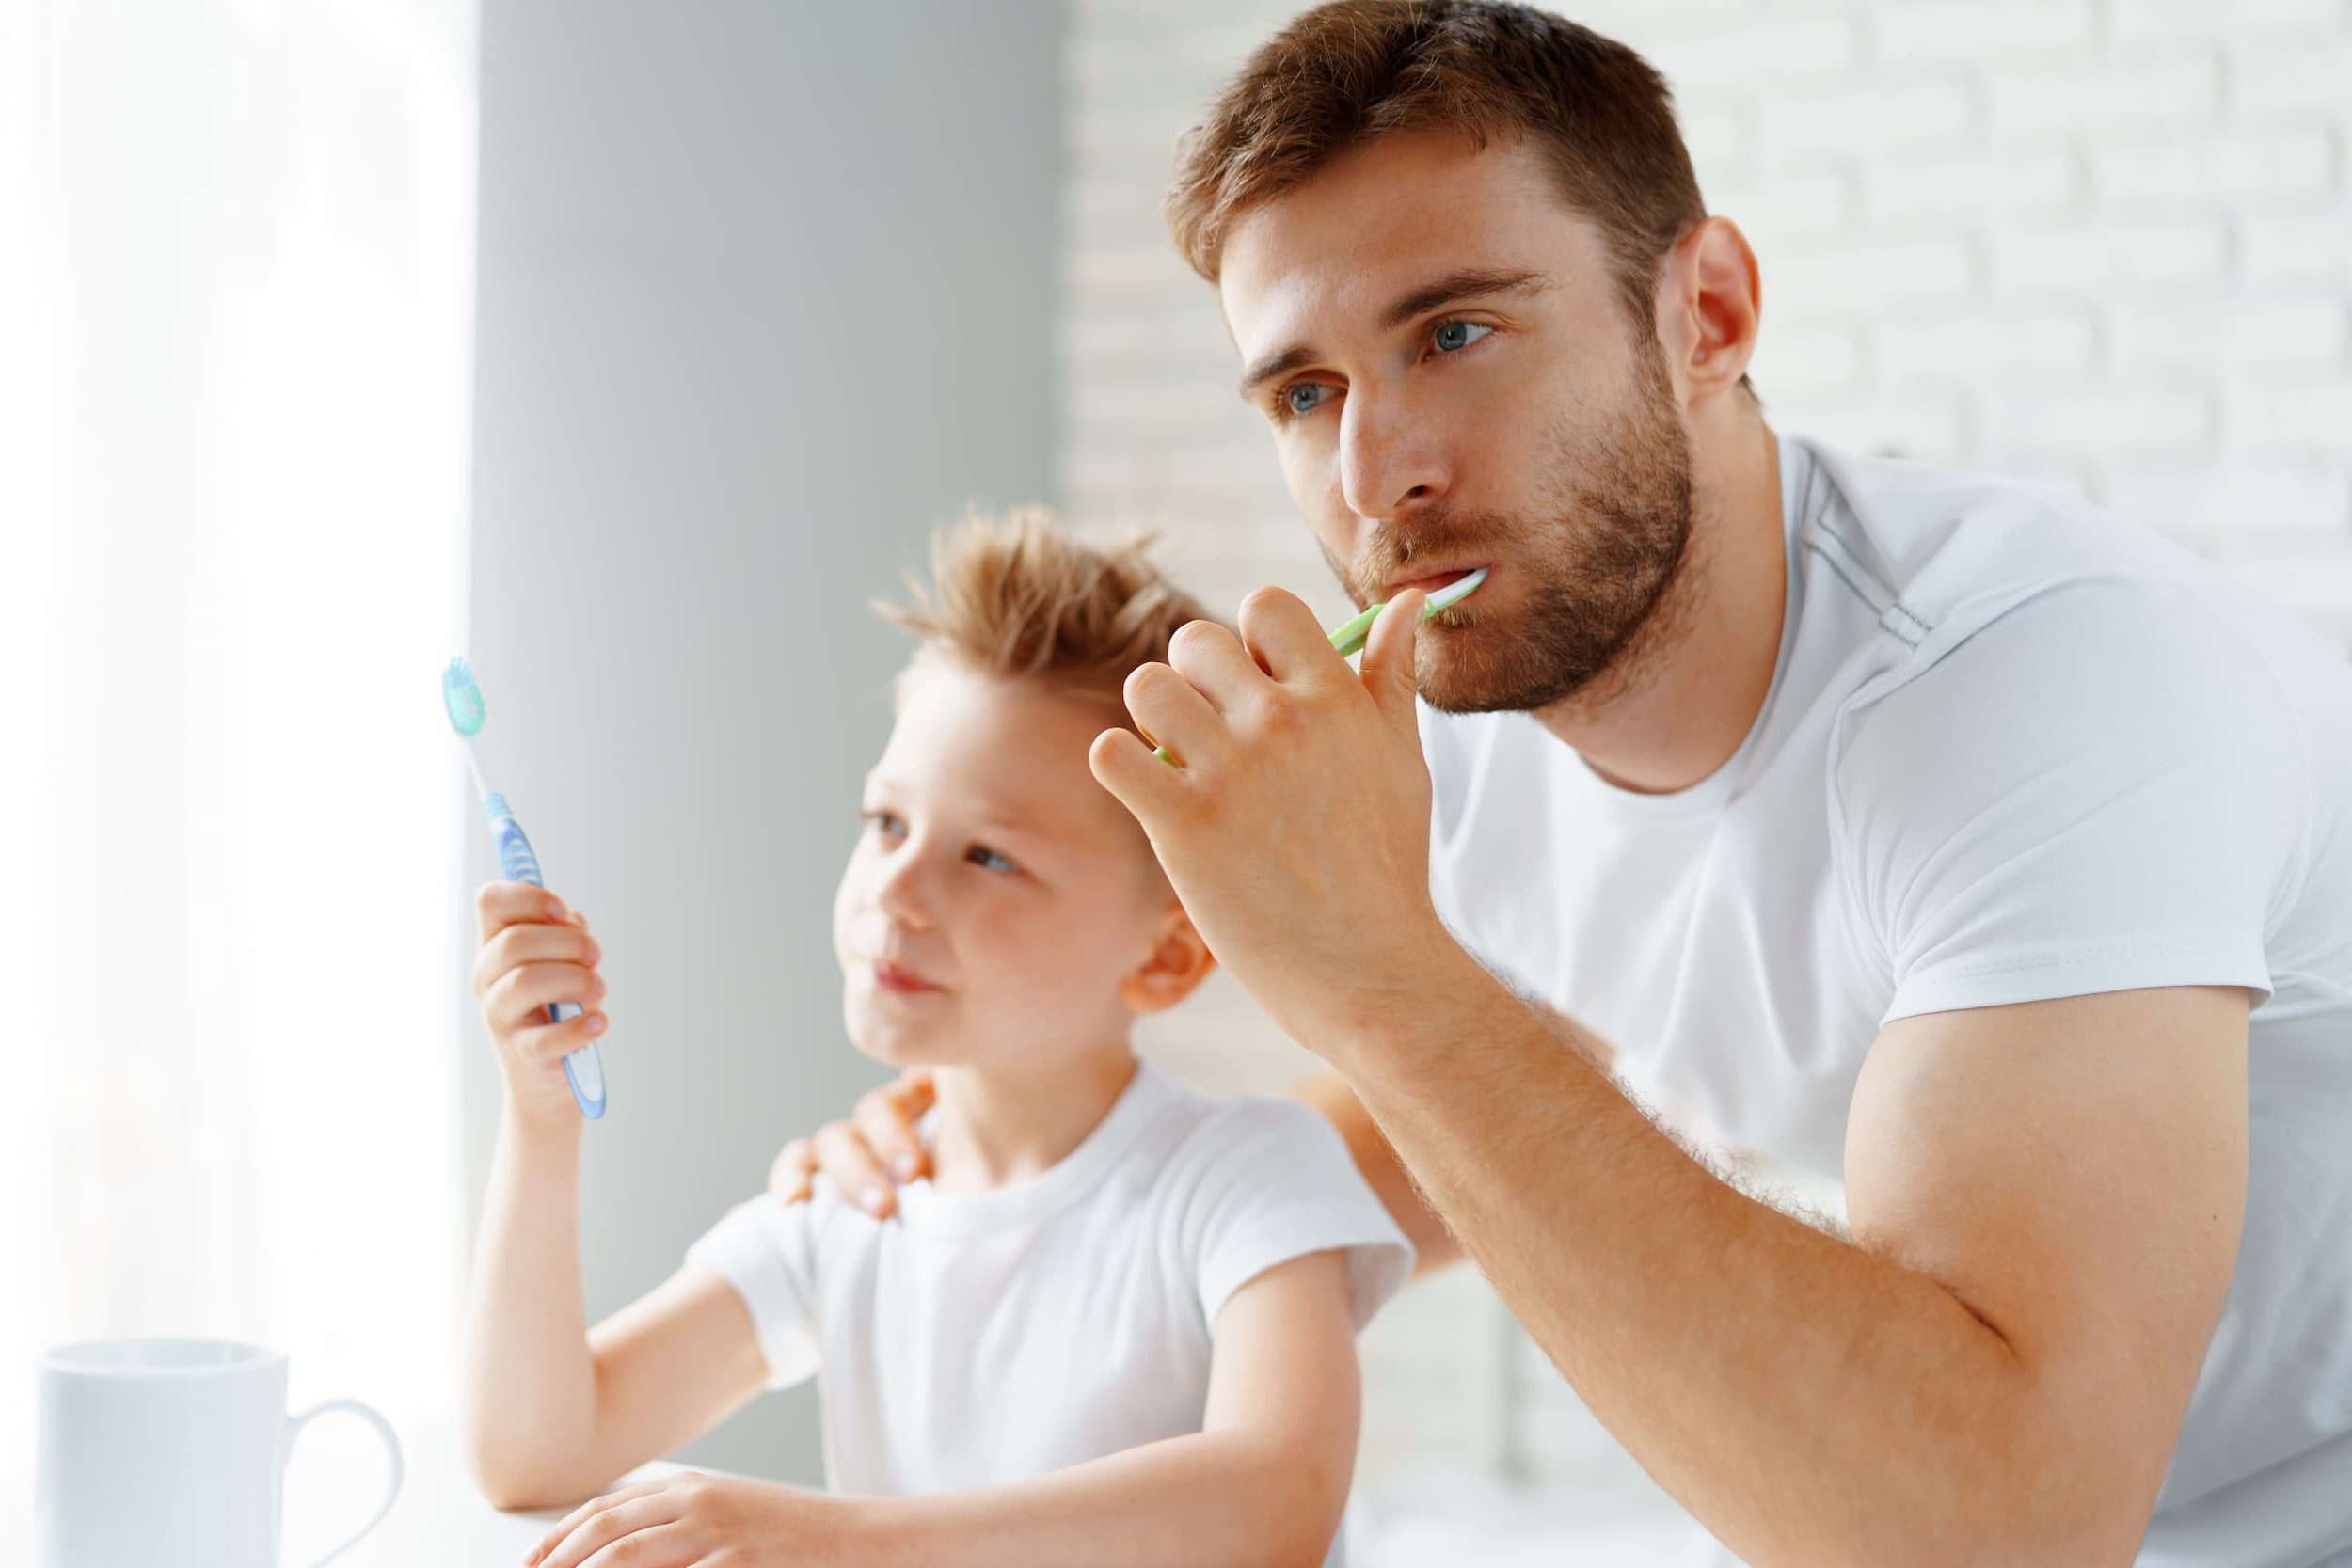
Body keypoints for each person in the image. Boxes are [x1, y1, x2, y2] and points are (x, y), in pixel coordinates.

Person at [772, 6, 2352, 1566]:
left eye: (1455, 333)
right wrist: (1030, 1182)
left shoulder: (2035, 691)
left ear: (1710, 315)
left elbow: (2010, 1520)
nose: (1379, 475)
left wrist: (1377, 980)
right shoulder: (1473, 695)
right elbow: (1475, 1112)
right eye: (1304, 393)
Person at [460, 511, 1412, 1568]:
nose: (895, 889)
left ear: (1167, 957)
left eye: (988, 856)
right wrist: (541, 1120)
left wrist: (828, 1538)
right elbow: (535, 1451)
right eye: (886, 823)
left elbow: (1273, 1501)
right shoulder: (850, 1204)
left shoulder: (1247, 1174)